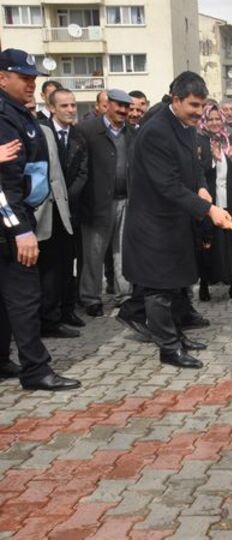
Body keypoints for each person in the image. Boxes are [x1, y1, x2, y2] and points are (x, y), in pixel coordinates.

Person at [123, 71, 232, 369]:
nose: (199, 113)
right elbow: (167, 185)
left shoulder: (185, 126)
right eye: (194, 106)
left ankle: (178, 336)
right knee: (159, 288)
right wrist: (208, 210)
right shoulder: (157, 130)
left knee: (175, 285)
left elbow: (194, 165)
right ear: (176, 100)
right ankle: (169, 348)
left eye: (202, 106)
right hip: (152, 224)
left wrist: (201, 186)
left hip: (175, 219)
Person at [0, 48, 81, 391]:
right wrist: (20, 231)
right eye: (23, 77)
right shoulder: (4, 117)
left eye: (33, 78)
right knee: (25, 297)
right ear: (2, 77)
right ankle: (36, 370)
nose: (31, 84)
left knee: (6, 299)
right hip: (11, 224)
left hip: (18, 218)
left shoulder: (20, 113)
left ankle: (2, 359)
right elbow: (4, 184)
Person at [76, 89, 134, 316]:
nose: (122, 110)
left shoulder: (132, 133)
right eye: (118, 105)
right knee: (94, 253)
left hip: (126, 200)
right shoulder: (87, 130)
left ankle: (125, 295)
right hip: (97, 203)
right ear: (107, 105)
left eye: (126, 107)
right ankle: (90, 298)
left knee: (123, 252)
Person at [196, 103, 232, 302]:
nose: (214, 123)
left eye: (217, 119)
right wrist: (212, 161)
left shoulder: (229, 140)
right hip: (209, 202)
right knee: (208, 244)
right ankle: (205, 284)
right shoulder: (199, 141)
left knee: (231, 244)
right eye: (211, 119)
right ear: (205, 120)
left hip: (230, 200)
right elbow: (196, 172)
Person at [36, 91, 83, 339]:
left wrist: (67, 198)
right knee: (50, 269)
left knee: (68, 264)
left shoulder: (79, 135)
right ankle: (48, 318)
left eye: (73, 105)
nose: (71, 109)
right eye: (64, 105)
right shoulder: (41, 133)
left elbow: (83, 171)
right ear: (51, 108)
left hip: (70, 209)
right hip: (47, 210)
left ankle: (66, 311)